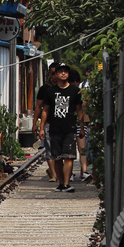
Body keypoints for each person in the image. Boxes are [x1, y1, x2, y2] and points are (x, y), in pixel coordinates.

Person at [39, 63, 84, 193]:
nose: (63, 73)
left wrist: (81, 127)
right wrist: (41, 128)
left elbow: (79, 110)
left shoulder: (75, 91)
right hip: (54, 128)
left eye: (65, 71)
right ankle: (60, 183)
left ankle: (66, 183)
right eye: (61, 72)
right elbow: (45, 110)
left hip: (69, 128)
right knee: (57, 158)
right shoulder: (50, 91)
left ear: (68, 74)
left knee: (69, 157)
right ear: (56, 75)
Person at [33, 63, 59, 181]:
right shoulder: (44, 89)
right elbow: (38, 107)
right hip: (48, 122)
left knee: (60, 150)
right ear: (49, 74)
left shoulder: (65, 88)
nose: (55, 76)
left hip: (62, 122)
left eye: (56, 73)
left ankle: (56, 172)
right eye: (52, 73)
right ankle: (53, 175)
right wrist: (35, 124)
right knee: (49, 148)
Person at [69, 70, 91, 182]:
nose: (75, 83)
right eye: (72, 81)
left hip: (81, 124)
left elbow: (85, 110)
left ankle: (84, 172)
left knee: (82, 148)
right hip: (69, 124)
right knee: (70, 150)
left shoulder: (83, 93)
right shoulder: (66, 94)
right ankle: (70, 173)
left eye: (77, 81)